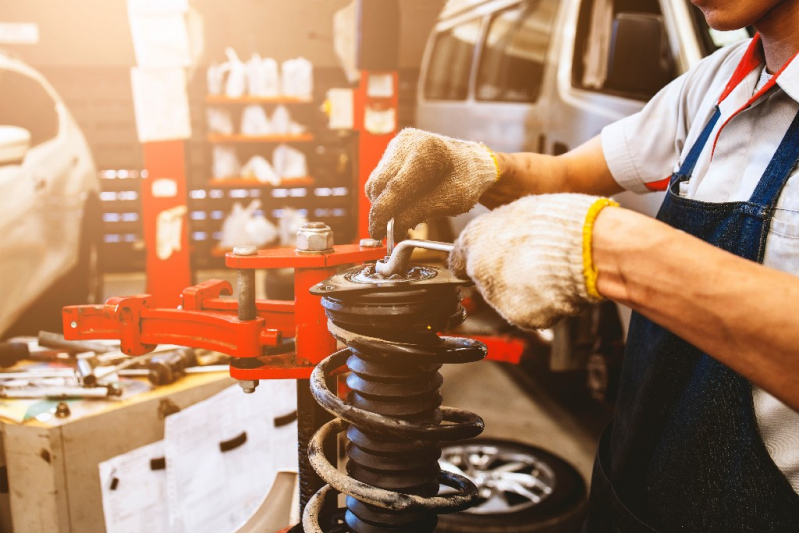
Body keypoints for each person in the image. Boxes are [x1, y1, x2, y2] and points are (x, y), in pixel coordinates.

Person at [365, 0, 799, 530]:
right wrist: (480, 167)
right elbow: (570, 172)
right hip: (641, 488)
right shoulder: (714, 84)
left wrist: (616, 253)